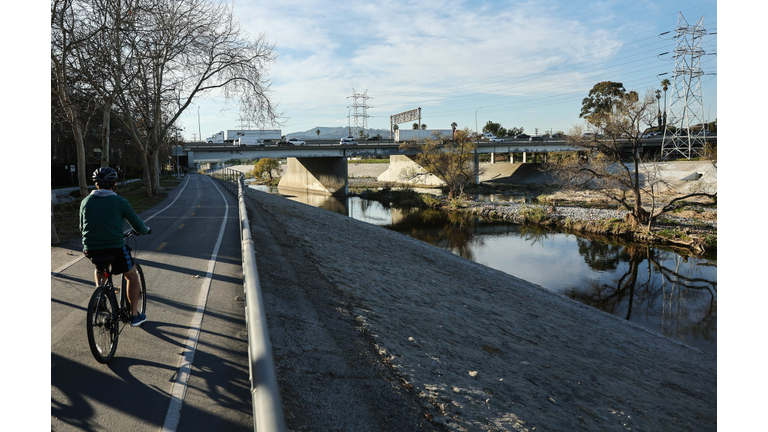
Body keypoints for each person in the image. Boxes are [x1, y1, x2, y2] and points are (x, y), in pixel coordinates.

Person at [80, 167, 151, 327]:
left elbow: (81, 227)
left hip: (91, 249)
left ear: (96, 185)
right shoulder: (119, 202)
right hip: (115, 248)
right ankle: (134, 315)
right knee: (131, 275)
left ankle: (100, 296)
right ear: (115, 184)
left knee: (100, 267)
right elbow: (138, 225)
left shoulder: (85, 202)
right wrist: (145, 230)